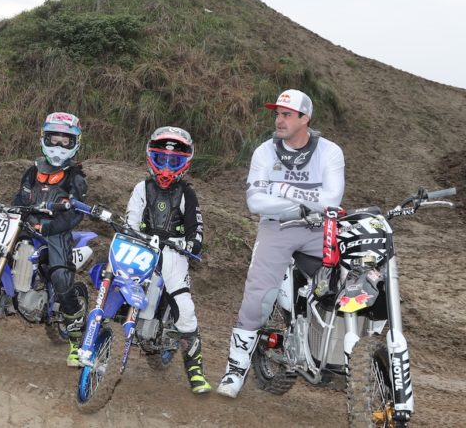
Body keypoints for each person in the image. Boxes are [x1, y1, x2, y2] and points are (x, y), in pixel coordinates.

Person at [216, 89, 345, 398]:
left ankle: (339, 354)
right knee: (257, 297)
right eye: (278, 113)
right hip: (277, 228)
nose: (279, 119)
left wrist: (283, 188)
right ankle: (235, 372)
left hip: (320, 229)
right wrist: (301, 205)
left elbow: (333, 199)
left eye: (287, 114)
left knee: (345, 286)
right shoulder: (265, 151)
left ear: (305, 118)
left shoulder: (329, 152)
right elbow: (256, 202)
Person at [125, 126, 211, 394]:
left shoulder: (187, 193)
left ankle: (195, 370)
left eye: (173, 161)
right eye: (161, 159)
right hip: (143, 248)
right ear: (151, 157)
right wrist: (132, 233)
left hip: (174, 253)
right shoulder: (142, 188)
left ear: (185, 163)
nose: (166, 167)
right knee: (119, 284)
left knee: (185, 308)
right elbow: (130, 218)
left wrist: (191, 243)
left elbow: (196, 228)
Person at [12, 112, 89, 365]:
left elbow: (75, 215)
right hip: (28, 226)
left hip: (57, 232)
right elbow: (19, 200)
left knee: (60, 277)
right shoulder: (31, 171)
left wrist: (48, 228)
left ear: (75, 143)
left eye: (64, 141)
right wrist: (11, 213)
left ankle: (77, 342)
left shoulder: (75, 177)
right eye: (52, 139)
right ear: (43, 139)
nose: (57, 146)